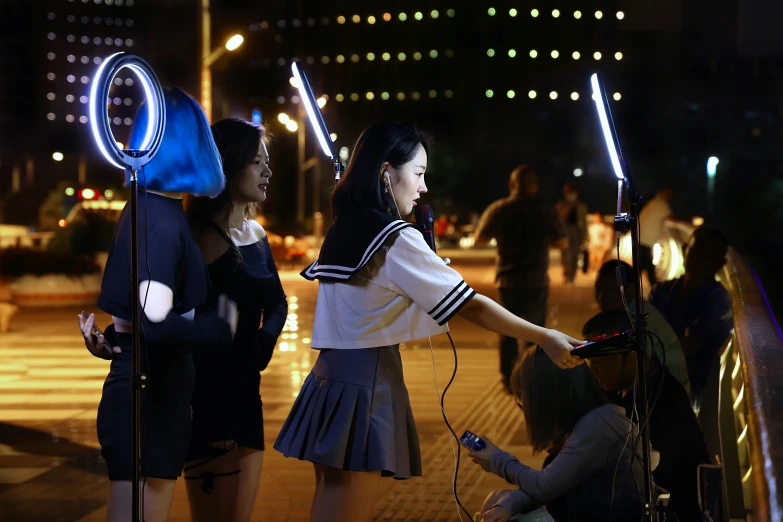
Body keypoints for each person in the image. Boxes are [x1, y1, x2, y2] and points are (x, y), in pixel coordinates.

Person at [273, 122, 584, 522]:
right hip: (368, 380)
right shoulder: (396, 237)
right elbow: (470, 306)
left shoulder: (346, 225)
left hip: (329, 379)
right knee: (350, 509)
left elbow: (369, 305)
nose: (422, 188)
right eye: (418, 174)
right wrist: (545, 336)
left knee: (331, 500)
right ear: (387, 173)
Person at [77, 88, 236, 522]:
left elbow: (140, 311)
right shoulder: (162, 223)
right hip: (152, 392)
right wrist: (219, 326)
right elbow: (158, 321)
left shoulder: (145, 209)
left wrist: (113, 341)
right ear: (192, 143)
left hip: (140, 382)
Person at [183, 119, 288, 522]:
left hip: (247, 393)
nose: (268, 171)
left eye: (267, 162)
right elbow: (174, 316)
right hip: (207, 398)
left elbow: (277, 302)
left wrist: (266, 340)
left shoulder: (257, 234)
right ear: (228, 165)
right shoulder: (196, 237)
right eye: (256, 162)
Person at [469, 347, 646, 522]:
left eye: (524, 399)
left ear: (547, 396)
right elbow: (555, 483)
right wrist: (507, 504)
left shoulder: (598, 425)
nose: (523, 408)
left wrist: (497, 459)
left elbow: (543, 486)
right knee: (497, 500)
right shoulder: (590, 421)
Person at [583, 310, 709, 522]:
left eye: (599, 361)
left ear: (630, 355)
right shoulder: (642, 386)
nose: (593, 370)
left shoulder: (659, 401)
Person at [474, 165, 568, 392]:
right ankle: (529, 380)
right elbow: (563, 242)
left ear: (511, 185)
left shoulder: (499, 209)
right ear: (535, 187)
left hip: (507, 281)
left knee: (507, 330)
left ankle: (508, 380)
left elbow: (479, 238)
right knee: (535, 333)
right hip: (536, 281)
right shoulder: (546, 210)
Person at [649, 227, 733, 408]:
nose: (698, 260)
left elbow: (687, 346)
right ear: (685, 248)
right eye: (695, 251)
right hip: (654, 386)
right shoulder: (661, 291)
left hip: (690, 396)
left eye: (708, 256)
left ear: (720, 263)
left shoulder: (719, 301)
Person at [594, 260, 691, 397]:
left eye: (606, 291)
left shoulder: (637, 321)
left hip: (666, 402)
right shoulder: (638, 311)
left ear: (627, 290)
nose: (599, 298)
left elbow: (618, 377)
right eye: (597, 291)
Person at [638, 188, 673, 286]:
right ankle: (655, 289)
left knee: (642, 265)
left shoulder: (653, 203)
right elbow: (672, 217)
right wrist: (690, 218)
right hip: (646, 240)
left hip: (640, 238)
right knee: (647, 266)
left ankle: (631, 286)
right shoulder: (661, 205)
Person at [555, 184, 588, 285]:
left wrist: (585, 237)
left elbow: (584, 222)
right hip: (565, 232)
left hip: (577, 232)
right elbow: (558, 219)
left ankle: (572, 276)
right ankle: (567, 276)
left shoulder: (581, 206)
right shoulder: (561, 205)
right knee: (566, 255)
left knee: (575, 255)